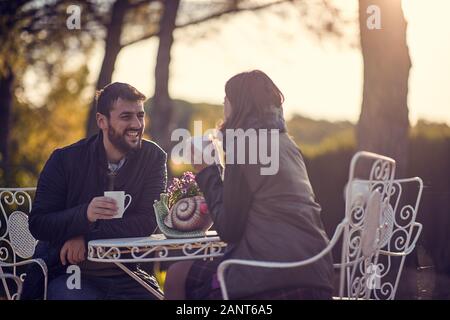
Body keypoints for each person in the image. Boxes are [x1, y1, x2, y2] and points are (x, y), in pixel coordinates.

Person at [164, 70, 334, 300]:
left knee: (176, 276)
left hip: (269, 276)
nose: (223, 103)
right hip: (315, 272)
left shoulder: (244, 145)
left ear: (238, 104)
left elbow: (229, 229)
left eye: (227, 98)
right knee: (182, 274)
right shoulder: (287, 144)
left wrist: (205, 170)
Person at [24, 82, 167, 300]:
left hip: (126, 273)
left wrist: (86, 235)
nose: (137, 124)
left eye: (140, 115)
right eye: (126, 117)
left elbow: (148, 221)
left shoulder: (153, 158)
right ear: (102, 121)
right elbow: (38, 224)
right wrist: (85, 214)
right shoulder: (65, 160)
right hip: (67, 271)